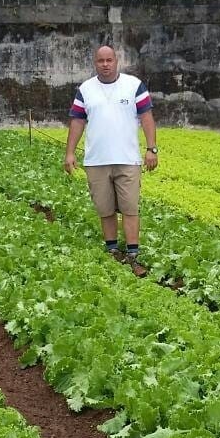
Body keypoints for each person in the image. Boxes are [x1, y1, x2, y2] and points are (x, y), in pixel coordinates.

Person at [64, 45, 158, 277]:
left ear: (117, 61)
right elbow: (77, 122)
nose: (105, 64)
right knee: (105, 209)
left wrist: (151, 148)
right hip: (96, 160)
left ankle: (133, 255)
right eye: (100, 61)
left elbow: (147, 118)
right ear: (95, 63)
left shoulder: (134, 86)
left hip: (127, 159)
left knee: (129, 208)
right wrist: (70, 153)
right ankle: (113, 251)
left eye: (109, 60)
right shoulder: (86, 89)